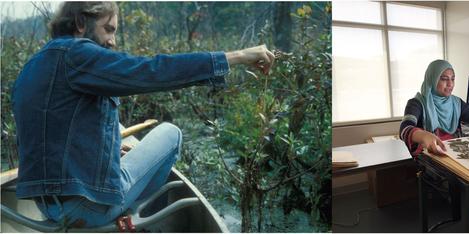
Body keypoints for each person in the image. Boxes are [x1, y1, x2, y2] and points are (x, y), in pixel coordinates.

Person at [11, 2, 275, 229]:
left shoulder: (33, 65)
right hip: (88, 208)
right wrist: (237, 56)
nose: (112, 41)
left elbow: (57, 128)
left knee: (118, 129)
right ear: (81, 23)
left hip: (47, 207)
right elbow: (152, 71)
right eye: (109, 29)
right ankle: (142, 220)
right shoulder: (77, 54)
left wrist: (107, 152)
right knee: (170, 133)